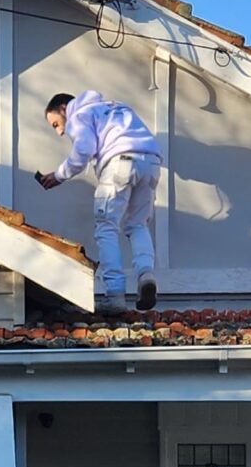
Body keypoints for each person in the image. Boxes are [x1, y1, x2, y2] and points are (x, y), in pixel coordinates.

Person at [36, 89, 163, 316]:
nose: (60, 132)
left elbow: (84, 149)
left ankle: (115, 294)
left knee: (106, 227)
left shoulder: (80, 114)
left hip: (119, 163)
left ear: (65, 108)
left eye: (56, 124)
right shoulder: (116, 107)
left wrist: (58, 175)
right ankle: (146, 275)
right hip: (151, 164)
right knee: (138, 225)